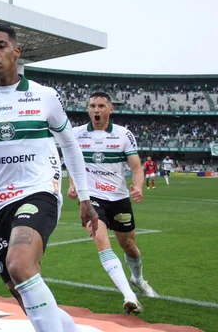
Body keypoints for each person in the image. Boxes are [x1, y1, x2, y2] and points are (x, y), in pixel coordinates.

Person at [0, 24, 98, 332]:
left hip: (38, 192)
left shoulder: (44, 96)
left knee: (20, 264)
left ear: (17, 51)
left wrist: (84, 196)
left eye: (0, 46)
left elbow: (69, 144)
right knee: (22, 292)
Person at [69, 92, 158, 315]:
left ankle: (137, 279)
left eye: (100, 106)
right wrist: (73, 185)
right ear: (87, 109)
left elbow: (137, 167)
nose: (96, 110)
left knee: (129, 247)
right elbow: (72, 163)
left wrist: (137, 187)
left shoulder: (123, 134)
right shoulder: (76, 134)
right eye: (92, 106)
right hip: (91, 198)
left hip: (119, 199)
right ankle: (129, 296)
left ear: (110, 109)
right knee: (100, 240)